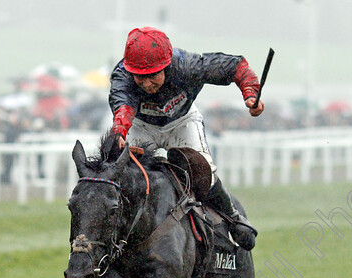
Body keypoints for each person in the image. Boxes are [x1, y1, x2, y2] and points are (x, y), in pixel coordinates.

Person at [109, 26, 262, 250]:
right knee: (123, 177)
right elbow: (122, 105)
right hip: (140, 126)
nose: (146, 84)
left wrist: (251, 92)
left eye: (152, 76)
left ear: (167, 65)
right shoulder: (122, 75)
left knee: (203, 172)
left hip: (182, 123)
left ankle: (232, 218)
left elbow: (235, 66)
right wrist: (119, 132)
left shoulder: (187, 65)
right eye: (139, 78)